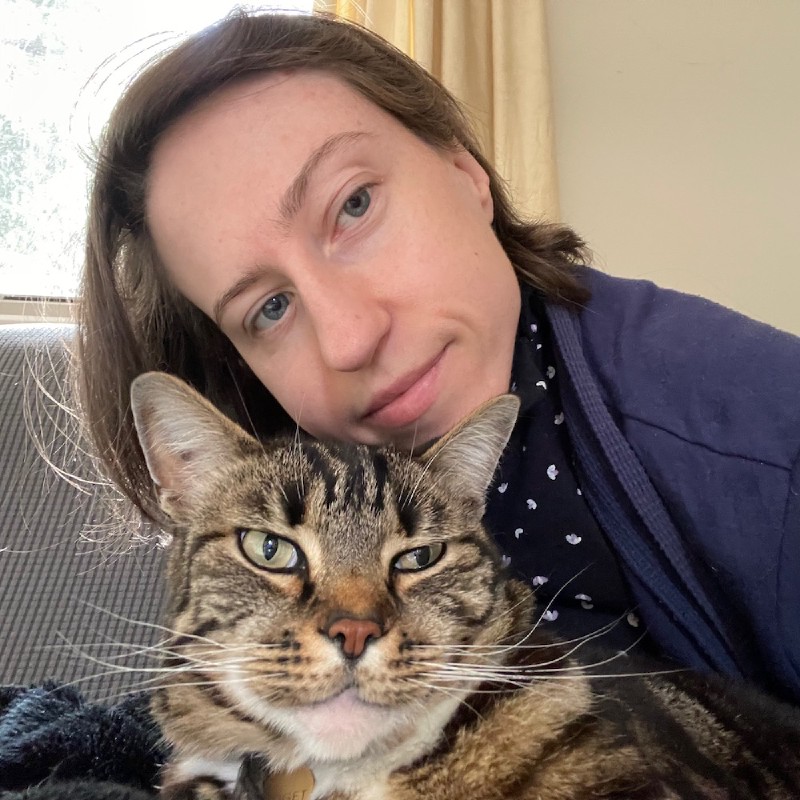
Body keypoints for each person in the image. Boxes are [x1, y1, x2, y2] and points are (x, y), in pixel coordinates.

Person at [75, 10, 800, 705]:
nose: (351, 338)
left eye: (354, 206)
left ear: (465, 171)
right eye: (269, 308)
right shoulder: (271, 490)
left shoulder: (763, 444)